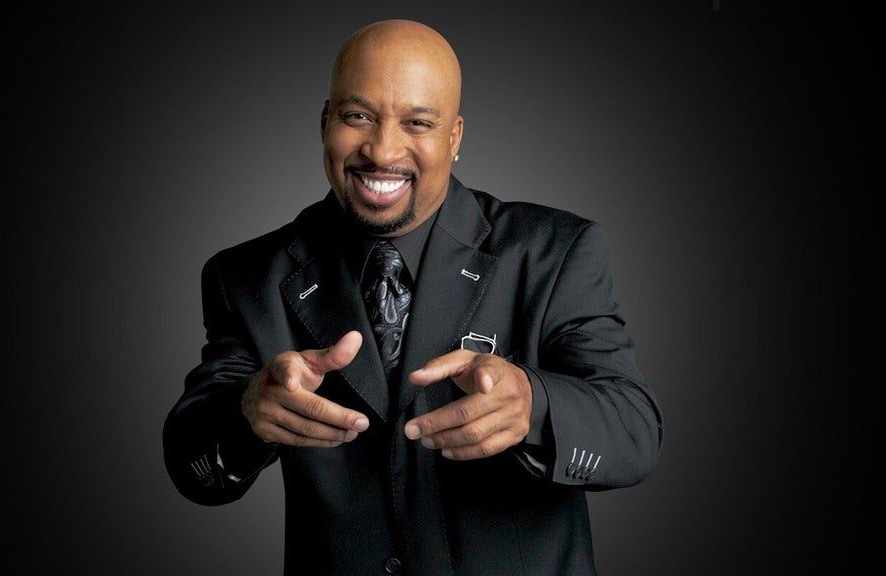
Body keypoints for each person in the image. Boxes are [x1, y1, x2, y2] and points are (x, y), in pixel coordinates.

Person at [162, 19, 663, 576]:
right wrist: (246, 412)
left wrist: (533, 405)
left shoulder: (556, 251)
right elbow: (193, 468)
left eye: (418, 123)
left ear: (454, 138)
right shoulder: (246, 276)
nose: (382, 150)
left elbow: (634, 433)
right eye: (357, 116)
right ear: (325, 123)